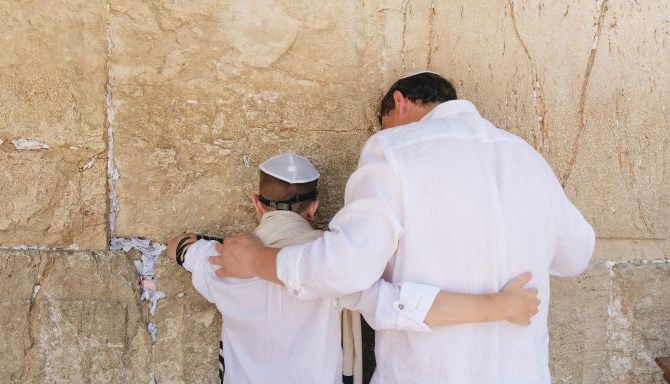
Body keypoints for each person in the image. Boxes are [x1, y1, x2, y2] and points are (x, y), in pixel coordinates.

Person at [210, 71, 596, 383]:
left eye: (385, 123)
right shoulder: (525, 155)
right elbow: (576, 256)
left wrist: (257, 260)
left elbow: (344, 268)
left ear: (399, 103)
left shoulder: (394, 149)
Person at [169, 152, 540, 384]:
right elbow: (401, 306)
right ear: (314, 208)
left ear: (256, 203)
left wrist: (194, 244)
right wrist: (499, 306)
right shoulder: (334, 266)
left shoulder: (219, 260)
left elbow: (181, 248)